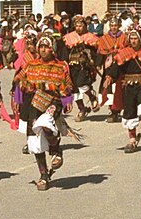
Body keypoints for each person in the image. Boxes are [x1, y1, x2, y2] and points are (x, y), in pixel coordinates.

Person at [18, 35, 74, 191]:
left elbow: (68, 85)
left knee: (46, 123)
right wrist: (19, 96)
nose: (43, 49)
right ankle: (43, 175)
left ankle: (56, 150)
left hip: (52, 102)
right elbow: (21, 82)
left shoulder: (61, 66)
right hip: (33, 104)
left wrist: (67, 100)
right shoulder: (31, 65)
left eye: (46, 47)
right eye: (40, 46)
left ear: (52, 48)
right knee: (35, 143)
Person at [105, 29, 141, 153]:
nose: (134, 41)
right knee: (129, 112)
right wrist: (110, 77)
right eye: (132, 39)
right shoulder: (124, 53)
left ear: (140, 39)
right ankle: (132, 140)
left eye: (136, 39)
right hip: (128, 86)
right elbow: (116, 68)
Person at [63, 15, 100, 121]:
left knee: (82, 84)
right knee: (74, 89)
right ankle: (82, 109)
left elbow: (96, 53)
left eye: (81, 25)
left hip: (85, 66)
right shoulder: (69, 37)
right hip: (72, 65)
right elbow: (65, 52)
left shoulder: (91, 37)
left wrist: (94, 61)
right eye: (77, 26)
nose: (78, 28)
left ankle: (92, 96)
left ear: (85, 26)